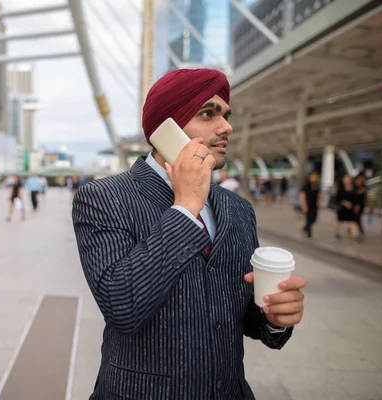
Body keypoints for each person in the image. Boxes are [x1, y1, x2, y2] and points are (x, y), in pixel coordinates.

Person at [72, 68, 306, 399]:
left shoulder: (237, 209)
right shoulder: (104, 197)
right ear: (165, 129)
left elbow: (243, 317)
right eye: (208, 113)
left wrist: (275, 316)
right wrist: (185, 208)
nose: (227, 127)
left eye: (226, 115)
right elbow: (121, 306)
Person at [334, 174, 360, 243]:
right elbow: (337, 199)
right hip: (342, 208)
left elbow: (356, 198)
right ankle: (336, 233)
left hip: (351, 208)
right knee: (339, 221)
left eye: (349, 179)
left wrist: (357, 205)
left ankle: (355, 236)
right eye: (346, 179)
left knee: (353, 221)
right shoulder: (340, 188)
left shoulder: (354, 187)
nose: (348, 180)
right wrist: (345, 203)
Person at [299, 171, 321, 239]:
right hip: (308, 204)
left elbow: (318, 195)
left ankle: (305, 227)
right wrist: (304, 206)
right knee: (308, 219)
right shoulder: (306, 186)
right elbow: (302, 196)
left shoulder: (317, 186)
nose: (314, 178)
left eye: (315, 177)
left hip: (314, 205)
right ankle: (309, 234)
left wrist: (321, 203)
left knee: (314, 219)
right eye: (312, 177)